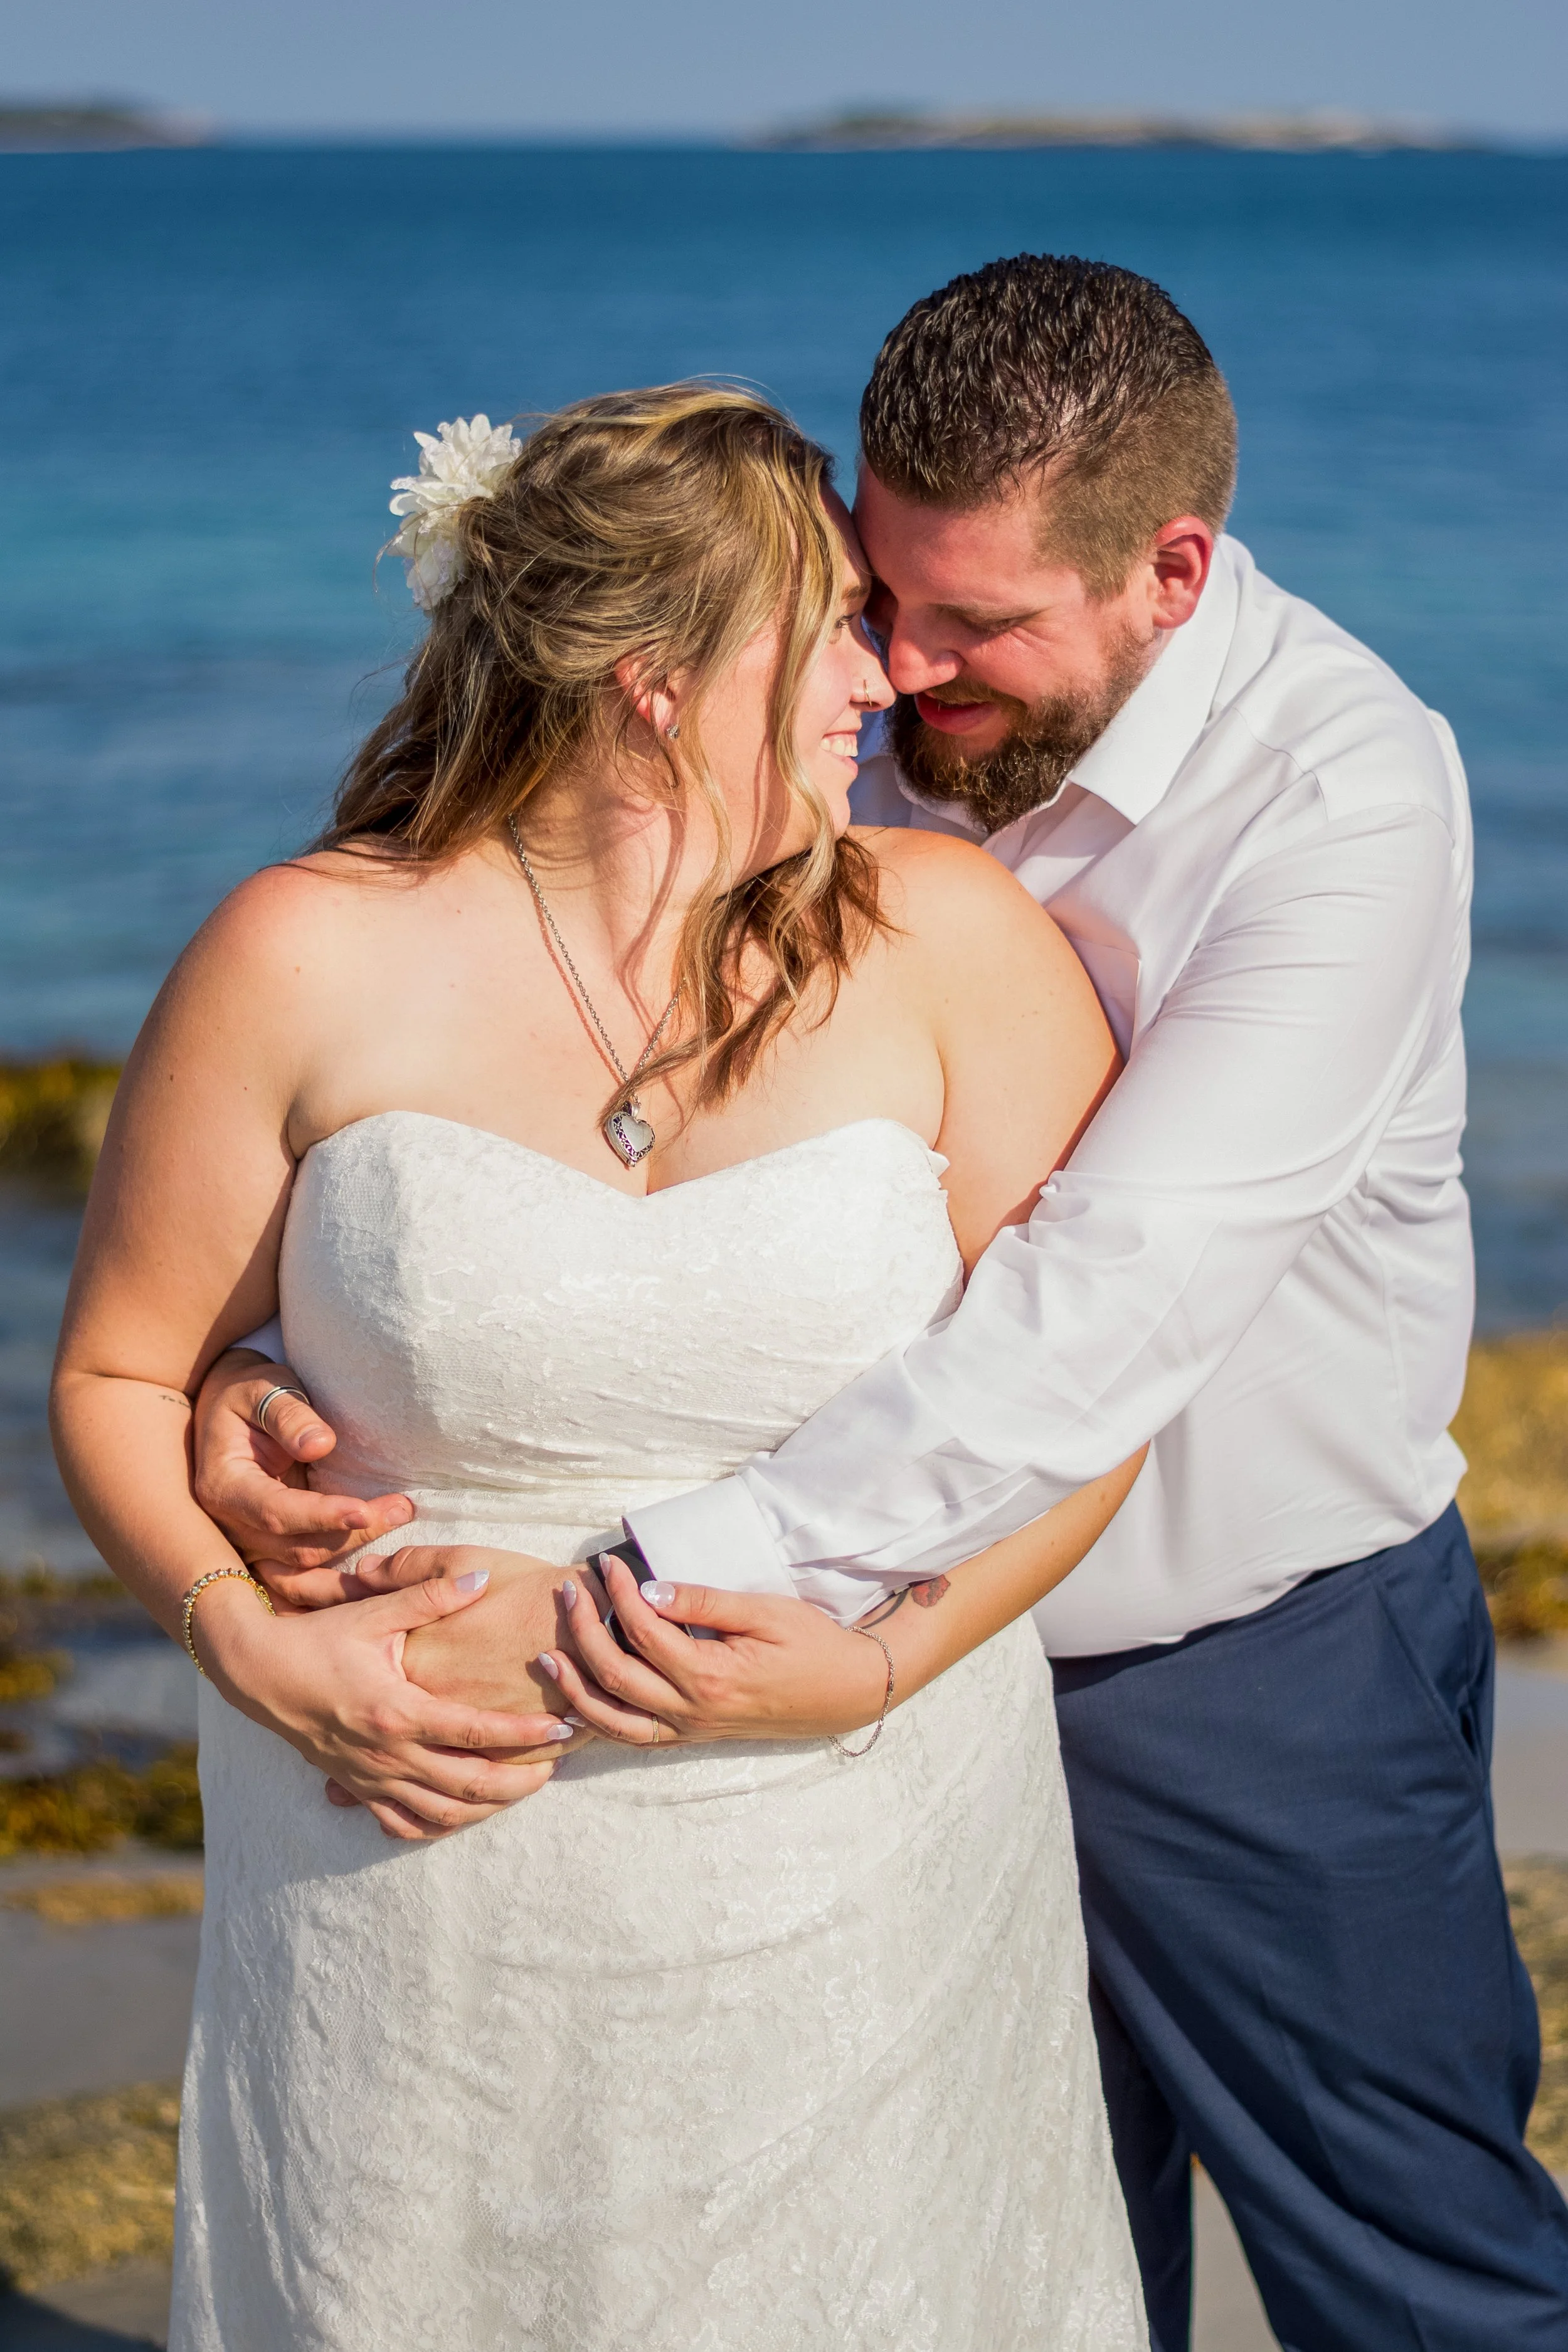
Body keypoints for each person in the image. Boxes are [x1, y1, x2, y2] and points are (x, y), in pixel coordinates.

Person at [200, 262, 1568, 2349]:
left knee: (1416, 2273)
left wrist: (626, 1601)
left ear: (1170, 571)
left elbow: (1094, 1311)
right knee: (1014, 2255)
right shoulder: (855, 719)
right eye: (874, 598)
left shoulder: (1343, 799)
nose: (908, 672)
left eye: (976, 625)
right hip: (867, 1722)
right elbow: (554, 1091)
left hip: (1228, 1665)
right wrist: (262, 1361)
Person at [51, 384, 1150, 2349]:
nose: (884, 676)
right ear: (656, 676)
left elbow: (1088, 1410)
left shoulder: (955, 942)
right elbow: (128, 1375)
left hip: (853, 1853)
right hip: (404, 1865)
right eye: (828, 623)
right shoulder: (302, 952)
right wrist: (243, 1633)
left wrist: (880, 1659)